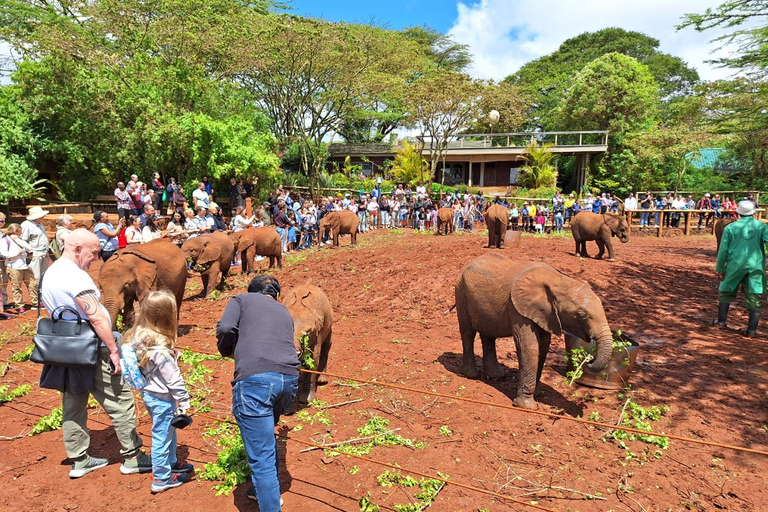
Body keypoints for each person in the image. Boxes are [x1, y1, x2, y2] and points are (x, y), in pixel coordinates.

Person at [39, 229, 151, 478]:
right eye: (94, 252)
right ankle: (133, 456)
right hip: (92, 347)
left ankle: (79, 458)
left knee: (73, 400)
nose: (96, 258)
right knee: (119, 400)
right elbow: (96, 316)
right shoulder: (76, 278)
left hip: (65, 349)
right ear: (77, 249)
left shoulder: (51, 273)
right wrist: (113, 350)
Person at [216, 275, 298, 511]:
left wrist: (226, 350)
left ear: (251, 290)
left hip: (255, 382)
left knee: (260, 456)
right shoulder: (284, 311)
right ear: (275, 295)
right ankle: (263, 489)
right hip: (288, 381)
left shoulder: (241, 299)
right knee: (266, 436)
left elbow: (225, 327)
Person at [123, 290, 194, 493]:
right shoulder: (161, 351)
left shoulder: (139, 337)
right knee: (162, 436)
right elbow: (173, 378)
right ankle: (161, 478)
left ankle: (170, 463)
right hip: (163, 398)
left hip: (150, 394)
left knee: (168, 431)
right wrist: (184, 400)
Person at [714, 200, 768, 337]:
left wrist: (720, 267)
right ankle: (751, 330)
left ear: (738, 213)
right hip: (755, 264)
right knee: (754, 294)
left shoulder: (730, 228)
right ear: (753, 213)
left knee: (726, 290)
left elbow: (723, 250)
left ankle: (721, 322)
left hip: (734, 265)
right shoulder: (762, 227)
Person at [0, 223, 33, 316]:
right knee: (16, 286)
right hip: (13, 266)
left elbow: (29, 247)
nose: (21, 233)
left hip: (24, 265)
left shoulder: (19, 239)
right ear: (15, 231)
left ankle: (35, 302)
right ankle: (19, 306)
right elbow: (4, 254)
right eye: (20, 231)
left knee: (32, 283)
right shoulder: (4, 240)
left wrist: (18, 240)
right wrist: (17, 252)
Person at [21, 206, 50, 309]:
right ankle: (36, 300)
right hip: (35, 255)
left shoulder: (40, 224)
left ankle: (42, 298)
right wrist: (29, 251)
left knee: (43, 277)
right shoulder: (26, 225)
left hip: (44, 253)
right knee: (35, 278)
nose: (43, 217)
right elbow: (23, 240)